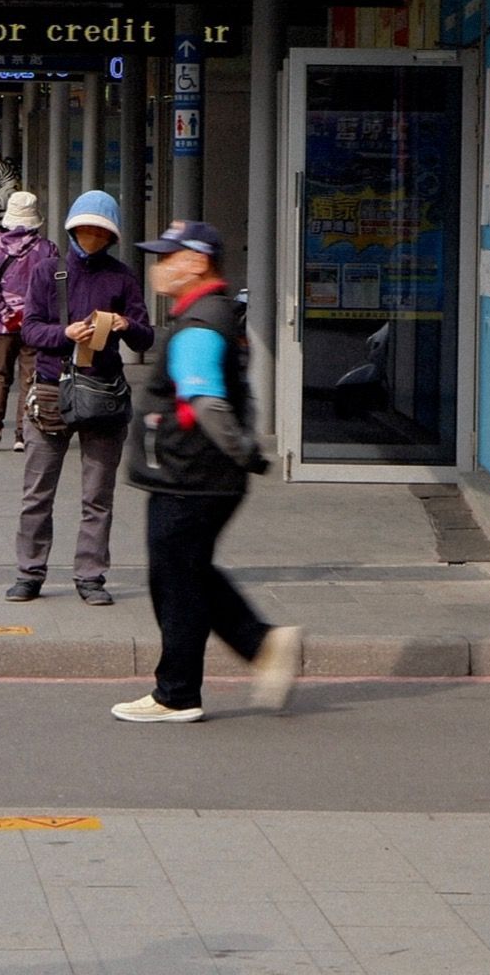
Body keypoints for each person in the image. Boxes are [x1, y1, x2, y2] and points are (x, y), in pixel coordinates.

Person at [112, 220, 301, 723]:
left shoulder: (198, 326)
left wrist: (244, 454)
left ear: (196, 262)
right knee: (188, 576)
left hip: (191, 476)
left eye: (167, 257)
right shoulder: (209, 315)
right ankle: (257, 648)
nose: (157, 267)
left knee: (175, 582)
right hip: (194, 474)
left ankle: (177, 693)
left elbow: (206, 401)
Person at [9, 190, 154, 606]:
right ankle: (29, 573)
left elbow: (146, 335)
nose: (91, 236)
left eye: (100, 231)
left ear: (111, 236)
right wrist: (66, 333)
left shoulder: (122, 276)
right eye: (85, 229)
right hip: (53, 388)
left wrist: (125, 325)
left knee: (98, 495)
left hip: (103, 391)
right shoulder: (46, 271)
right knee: (38, 492)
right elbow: (30, 331)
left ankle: (91, 576)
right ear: (72, 228)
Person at [0, 191, 53, 451]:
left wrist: (7, 316)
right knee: (29, 378)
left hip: (1, 325)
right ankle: (22, 434)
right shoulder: (47, 249)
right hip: (35, 324)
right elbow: (53, 288)